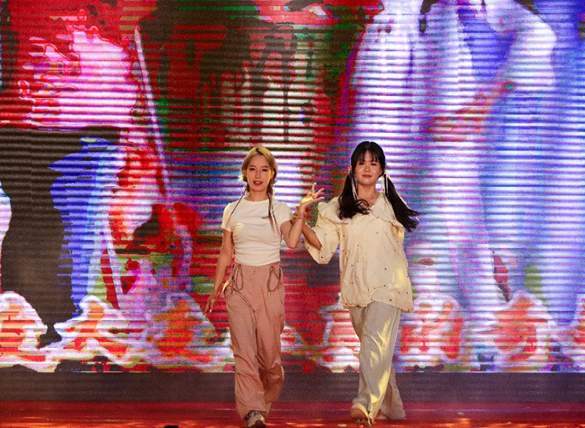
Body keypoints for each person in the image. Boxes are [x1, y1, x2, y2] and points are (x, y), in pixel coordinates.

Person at [296, 141, 418, 427]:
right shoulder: (338, 208)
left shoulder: (392, 205)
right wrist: (302, 220)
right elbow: (323, 244)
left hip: (389, 286)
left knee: (374, 343)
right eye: (361, 162)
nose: (367, 167)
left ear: (382, 170)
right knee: (375, 349)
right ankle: (393, 407)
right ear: (351, 169)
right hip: (357, 288)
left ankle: (364, 405)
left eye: (373, 163)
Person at [204, 145, 322, 428]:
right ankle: (253, 411)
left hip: (270, 285)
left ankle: (265, 393)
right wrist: (215, 289)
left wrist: (300, 213)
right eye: (253, 169)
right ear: (244, 173)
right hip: (240, 285)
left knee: (270, 359)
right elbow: (225, 252)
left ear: (272, 174)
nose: (258, 175)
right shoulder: (232, 209)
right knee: (244, 353)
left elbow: (291, 242)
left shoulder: (279, 209)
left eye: (264, 169)